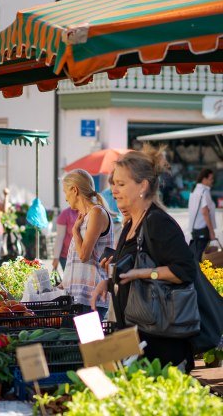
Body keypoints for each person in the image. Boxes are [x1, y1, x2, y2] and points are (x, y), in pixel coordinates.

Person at [91, 145, 197, 372]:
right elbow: (132, 267)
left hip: (161, 347)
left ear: (143, 186)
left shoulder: (158, 223)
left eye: (121, 184)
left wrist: (145, 273)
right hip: (134, 339)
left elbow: (185, 270)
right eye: (113, 183)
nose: (114, 190)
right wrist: (108, 282)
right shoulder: (130, 223)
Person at [60, 169, 113, 320]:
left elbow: (84, 255)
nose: (65, 198)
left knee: (90, 343)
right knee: (79, 343)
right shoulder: (87, 216)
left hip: (90, 297)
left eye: (65, 192)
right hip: (78, 296)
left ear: (74, 190)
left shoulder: (96, 213)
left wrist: (75, 232)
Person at [188, 168, 216, 262]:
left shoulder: (194, 190)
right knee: (203, 260)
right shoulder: (204, 192)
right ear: (204, 179)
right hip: (203, 230)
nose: (212, 181)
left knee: (197, 258)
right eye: (211, 178)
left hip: (195, 230)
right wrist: (212, 232)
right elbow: (205, 212)